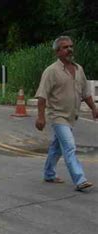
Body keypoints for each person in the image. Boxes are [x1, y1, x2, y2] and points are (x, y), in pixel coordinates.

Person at [35, 36, 97, 192]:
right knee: (69, 146)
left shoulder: (78, 69)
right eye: (65, 47)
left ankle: (49, 173)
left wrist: (94, 108)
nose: (69, 49)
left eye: (71, 46)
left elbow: (86, 94)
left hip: (72, 116)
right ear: (57, 52)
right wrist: (41, 117)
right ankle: (80, 179)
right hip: (58, 116)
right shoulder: (51, 71)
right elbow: (42, 96)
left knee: (57, 147)